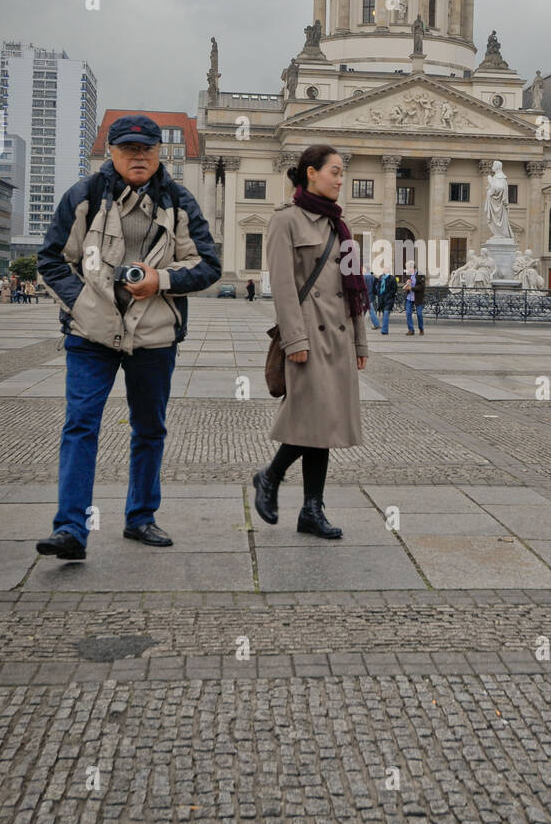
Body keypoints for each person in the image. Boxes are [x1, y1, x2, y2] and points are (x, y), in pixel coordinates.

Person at [35, 115, 220, 561]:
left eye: (146, 149)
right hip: (91, 331)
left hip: (154, 333)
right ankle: (71, 529)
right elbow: (52, 260)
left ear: (160, 153)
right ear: (112, 153)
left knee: (149, 428)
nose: (138, 157)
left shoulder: (178, 200)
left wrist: (161, 280)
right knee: (81, 424)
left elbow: (208, 264)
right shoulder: (83, 197)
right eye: (128, 149)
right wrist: (84, 304)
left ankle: (140, 517)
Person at [252, 143, 369, 540]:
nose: (341, 179)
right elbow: (284, 288)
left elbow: (353, 291)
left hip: (338, 337)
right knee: (312, 419)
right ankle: (271, 476)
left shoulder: (340, 225)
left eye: (342, 172)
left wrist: (361, 342)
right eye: (334, 171)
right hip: (306, 334)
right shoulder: (286, 220)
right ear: (311, 174)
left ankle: (310, 510)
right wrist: (293, 338)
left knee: (325, 425)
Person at [404, 259, 425, 336]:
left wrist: (412, 288)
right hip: (409, 297)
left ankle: (421, 329)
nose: (407, 270)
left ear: (413, 267)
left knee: (419, 314)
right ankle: (411, 329)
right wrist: (407, 282)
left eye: (408, 268)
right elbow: (405, 279)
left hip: (418, 297)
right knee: (408, 313)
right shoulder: (408, 274)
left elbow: (422, 286)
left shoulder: (420, 274)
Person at [376, 268, 397, 335]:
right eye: (384, 270)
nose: (384, 271)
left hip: (389, 299)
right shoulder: (380, 278)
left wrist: (389, 295)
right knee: (384, 314)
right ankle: (385, 329)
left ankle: (384, 330)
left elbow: (394, 289)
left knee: (386, 313)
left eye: (386, 270)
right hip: (381, 299)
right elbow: (378, 288)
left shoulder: (392, 278)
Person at [363, 266, 381, 330]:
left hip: (365, 296)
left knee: (370, 311)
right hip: (371, 295)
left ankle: (376, 324)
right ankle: (360, 324)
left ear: (365, 269)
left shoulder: (363, 277)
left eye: (363, 269)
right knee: (364, 311)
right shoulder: (373, 276)